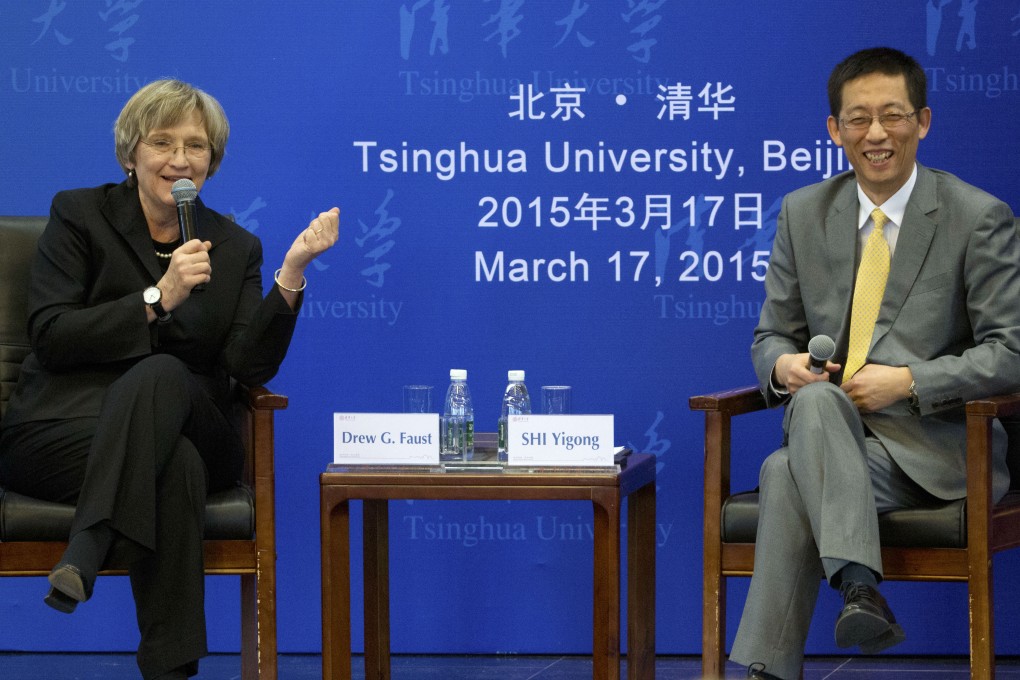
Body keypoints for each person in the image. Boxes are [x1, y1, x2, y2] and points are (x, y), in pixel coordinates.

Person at [0, 79, 339, 680]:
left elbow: (244, 368)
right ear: (131, 154)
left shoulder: (235, 246)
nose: (180, 159)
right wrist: (159, 298)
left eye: (197, 146)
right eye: (162, 142)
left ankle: (89, 544)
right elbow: (51, 334)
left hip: (197, 421)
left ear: (213, 160)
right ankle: (170, 670)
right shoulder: (78, 215)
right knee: (172, 466)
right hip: (63, 432)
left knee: (163, 376)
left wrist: (290, 276)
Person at [730, 47, 1020, 680]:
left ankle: (774, 664)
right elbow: (772, 335)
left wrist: (911, 382)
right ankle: (859, 589)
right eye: (858, 120)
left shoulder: (977, 217)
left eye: (893, 116)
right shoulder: (803, 212)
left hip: (939, 452)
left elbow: (1013, 351)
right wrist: (785, 368)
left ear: (923, 121)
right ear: (835, 131)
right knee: (811, 399)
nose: (877, 134)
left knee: (783, 474)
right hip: (833, 434)